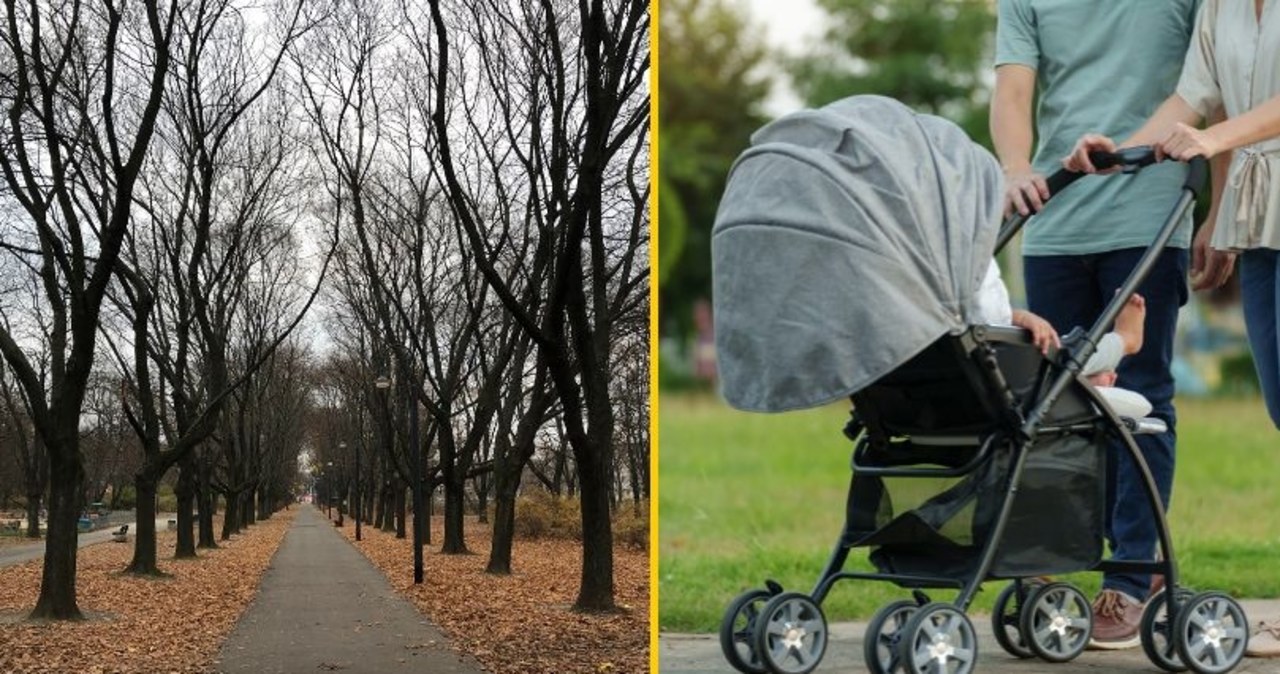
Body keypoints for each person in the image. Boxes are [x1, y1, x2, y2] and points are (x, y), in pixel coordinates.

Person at [1063, 0, 1280, 657]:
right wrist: (1119, 148)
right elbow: (1193, 97)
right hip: (1264, 220)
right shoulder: (1220, 6)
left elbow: (1216, 126)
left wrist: (1216, 140)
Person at [991, 0, 1202, 649]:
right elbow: (1014, 88)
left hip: (1148, 209)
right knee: (1050, 401)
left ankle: (1134, 574)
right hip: (1056, 216)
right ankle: (1052, 560)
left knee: (1137, 390)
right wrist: (1015, 167)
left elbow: (1207, 87)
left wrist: (1213, 208)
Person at [978, 261, 1152, 417]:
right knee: (1059, 353)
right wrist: (1016, 317)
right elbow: (983, 311)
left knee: (1054, 351)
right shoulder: (975, 261)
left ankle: (1073, 379)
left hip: (971, 376)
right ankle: (1123, 340)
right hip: (1001, 378)